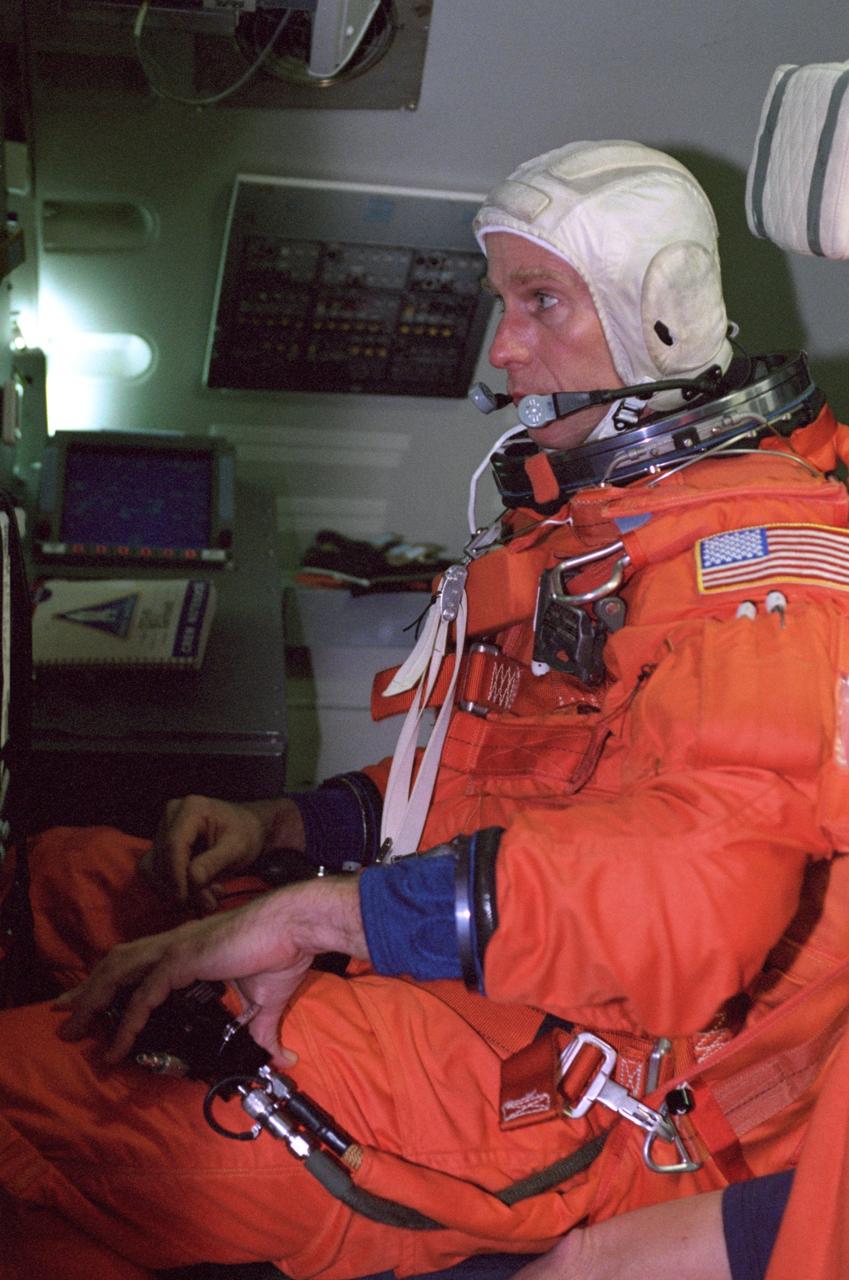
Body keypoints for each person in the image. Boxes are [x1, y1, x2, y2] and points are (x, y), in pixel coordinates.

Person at [2, 139, 849, 1280]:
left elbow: (696, 902)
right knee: (58, 881)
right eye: (503, 302)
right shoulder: (610, 530)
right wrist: (291, 831)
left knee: (28, 1094)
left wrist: (318, 918)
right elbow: (499, 786)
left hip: (593, 1091)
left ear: (658, 316)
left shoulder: (765, 581)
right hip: (501, 978)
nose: (503, 350)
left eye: (539, 301)